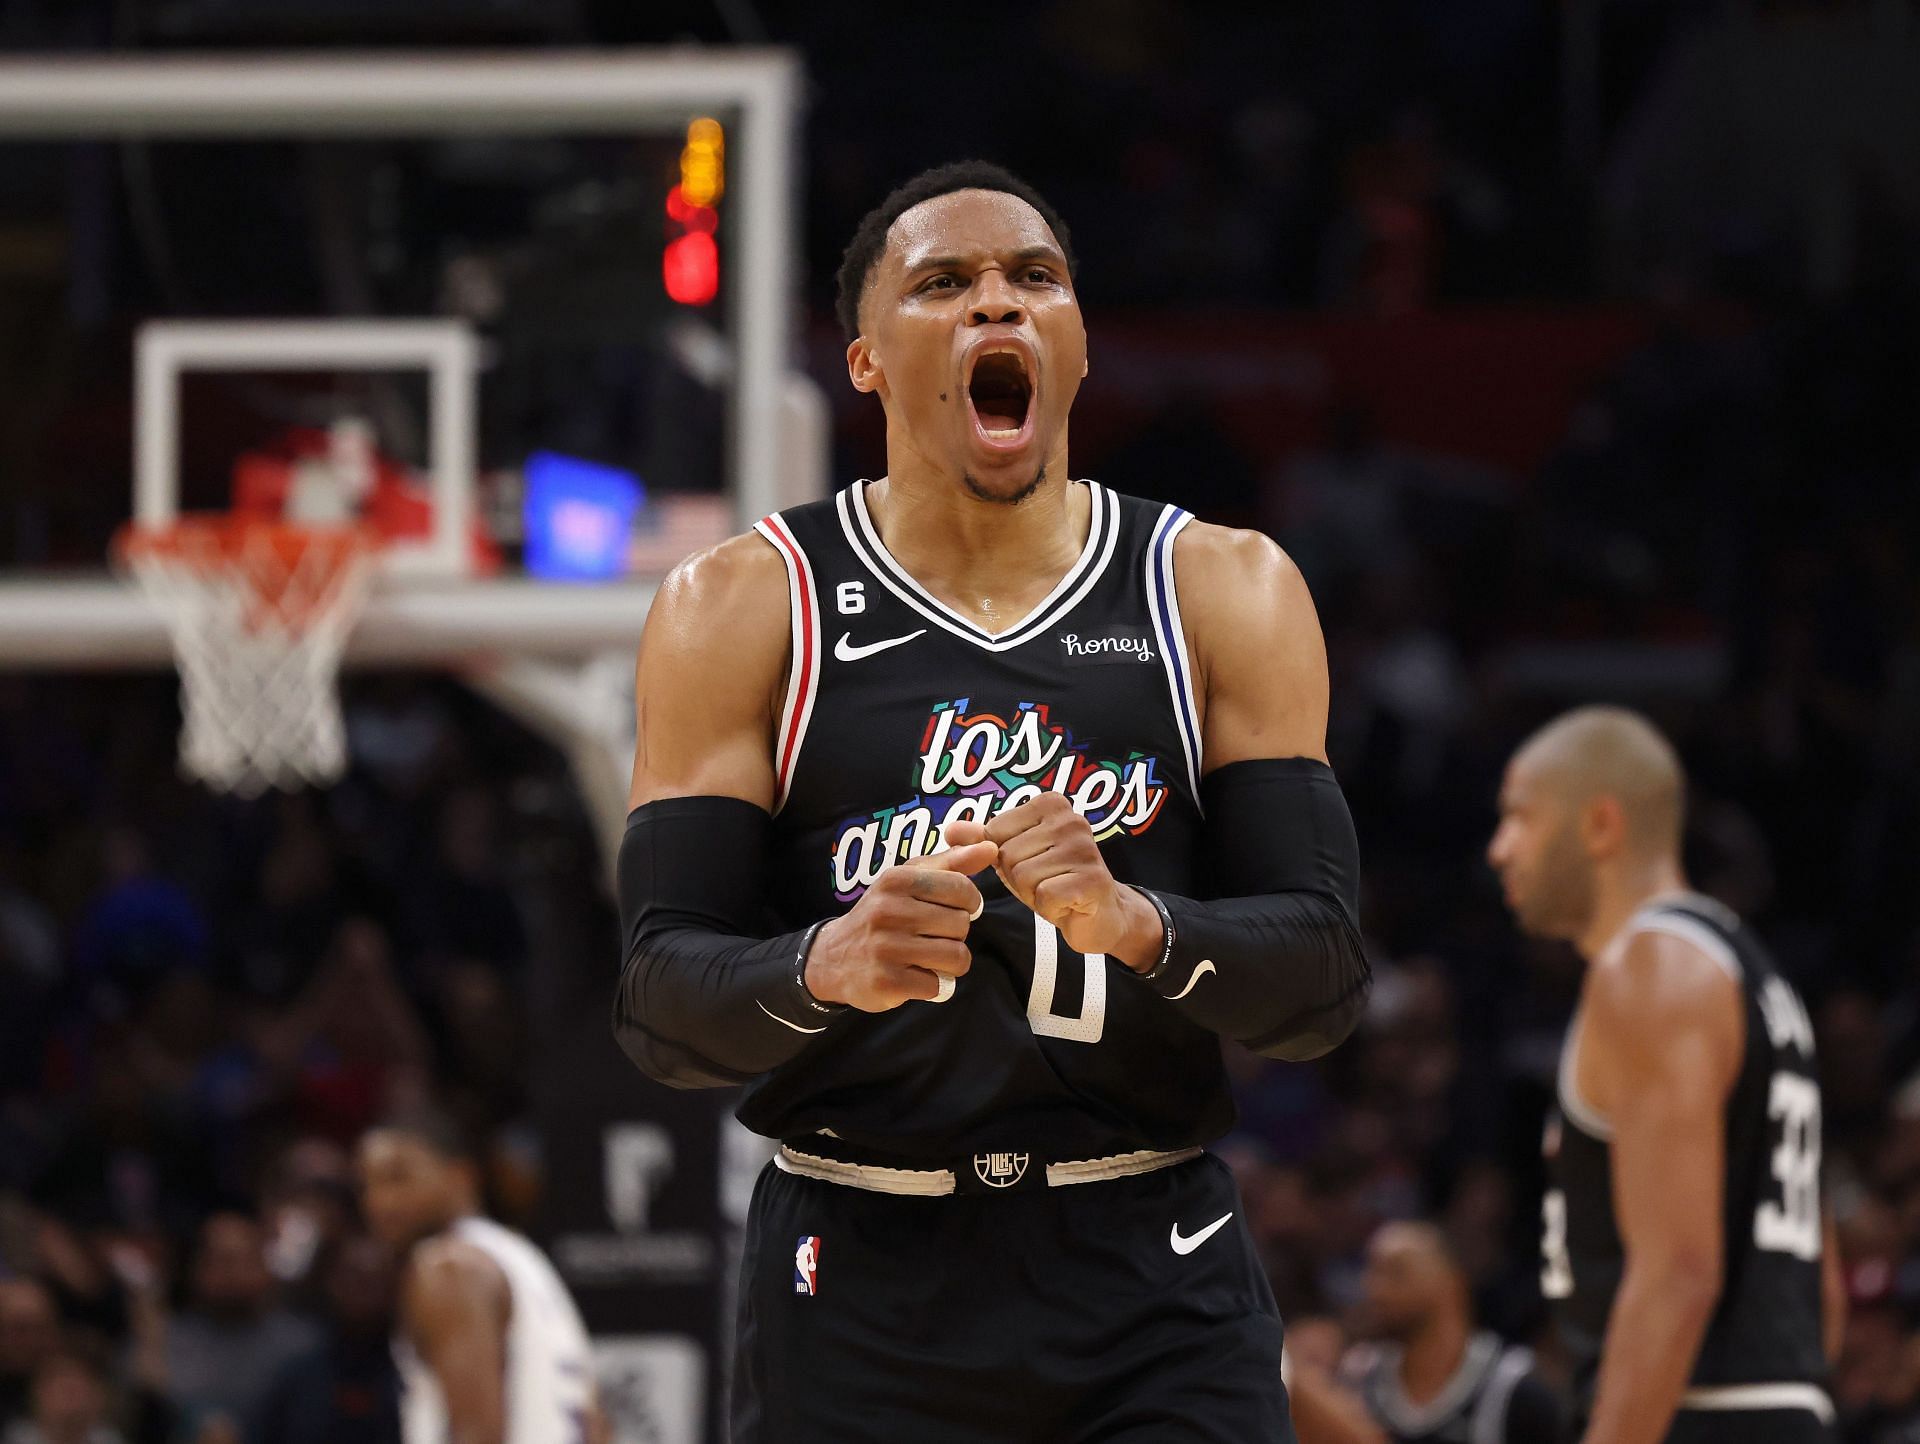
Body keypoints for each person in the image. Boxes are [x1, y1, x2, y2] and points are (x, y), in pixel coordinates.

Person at [615, 159, 1371, 1441]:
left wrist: (1141, 923)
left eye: (1034, 279)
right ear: (864, 360)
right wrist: (823, 963)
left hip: (1149, 1266)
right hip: (857, 1272)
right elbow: (657, 996)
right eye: (944, 285)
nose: (996, 307)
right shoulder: (743, 606)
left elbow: (1323, 979)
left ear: (1075, 347)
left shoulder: (1219, 590)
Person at [1487, 706, 1839, 1442]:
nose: (1499, 849)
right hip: (1777, 1406)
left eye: (1521, 818)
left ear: (1600, 826)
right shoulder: (1753, 975)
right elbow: (1822, 1288)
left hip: (1700, 1415)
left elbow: (1679, 1272)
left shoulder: (1651, 971)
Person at [355, 1112, 605, 1444]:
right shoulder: (521, 1257)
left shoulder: (447, 1268)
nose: (379, 1201)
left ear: (460, 1176)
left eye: (398, 1178)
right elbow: (597, 1425)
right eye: (367, 1184)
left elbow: (477, 1434)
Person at [1341, 1222, 1564, 1443]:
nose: (1374, 1288)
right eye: (1372, 1271)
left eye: (1396, 1272)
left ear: (1452, 1283)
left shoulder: (1515, 1390)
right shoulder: (1356, 1385)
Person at [159, 1214, 319, 1442]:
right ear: (196, 1268)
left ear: (266, 1266)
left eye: (246, 1259)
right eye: (222, 1260)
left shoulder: (303, 1346)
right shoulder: (161, 1344)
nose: (233, 1274)